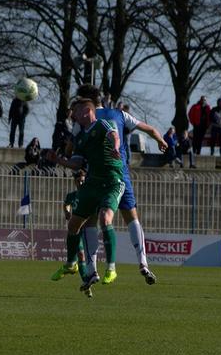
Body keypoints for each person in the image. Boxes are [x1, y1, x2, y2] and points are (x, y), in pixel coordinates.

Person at [70, 84, 167, 285]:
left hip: (95, 176)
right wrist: (160, 140)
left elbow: (74, 146)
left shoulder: (83, 121)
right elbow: (148, 128)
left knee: (91, 221)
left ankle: (92, 268)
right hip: (119, 173)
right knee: (131, 216)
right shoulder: (119, 114)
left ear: (87, 104)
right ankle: (143, 262)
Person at [47, 97, 124, 295]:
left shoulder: (102, 123)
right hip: (93, 183)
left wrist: (115, 147)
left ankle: (111, 268)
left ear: (86, 111)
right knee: (73, 225)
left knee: (105, 218)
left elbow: (114, 135)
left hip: (112, 181)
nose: (73, 115)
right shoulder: (80, 138)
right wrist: (59, 160)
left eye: (75, 111)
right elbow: (76, 164)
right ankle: (71, 264)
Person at [51, 169, 92, 297]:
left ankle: (69, 267)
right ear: (74, 181)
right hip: (77, 229)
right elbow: (66, 204)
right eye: (78, 181)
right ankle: (86, 285)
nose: (80, 183)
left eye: (82, 181)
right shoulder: (72, 195)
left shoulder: (89, 195)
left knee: (82, 257)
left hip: (88, 229)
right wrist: (67, 212)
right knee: (81, 255)